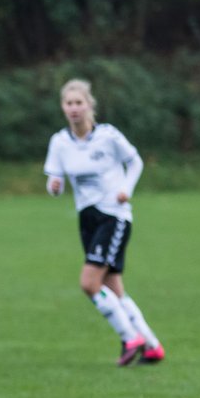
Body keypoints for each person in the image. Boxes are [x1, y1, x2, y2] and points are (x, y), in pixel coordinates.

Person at [43, 79, 164, 366]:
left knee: (89, 282)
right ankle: (151, 346)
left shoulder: (108, 136)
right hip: (87, 218)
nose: (74, 109)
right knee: (113, 288)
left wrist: (127, 190)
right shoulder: (60, 142)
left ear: (89, 106)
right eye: (69, 103)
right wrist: (55, 187)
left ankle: (129, 337)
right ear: (63, 107)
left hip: (113, 215)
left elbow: (135, 162)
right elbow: (53, 181)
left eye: (79, 103)